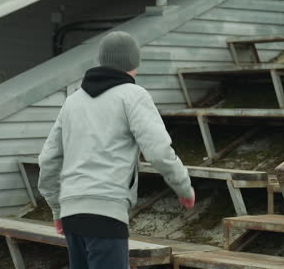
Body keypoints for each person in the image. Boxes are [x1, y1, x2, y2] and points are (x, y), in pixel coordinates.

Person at [38, 31, 196, 269]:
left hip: (72, 214)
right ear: (134, 62)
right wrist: (183, 186)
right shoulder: (133, 96)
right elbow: (159, 151)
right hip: (106, 213)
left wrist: (58, 209)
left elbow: (48, 159)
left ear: (102, 60)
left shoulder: (73, 101)